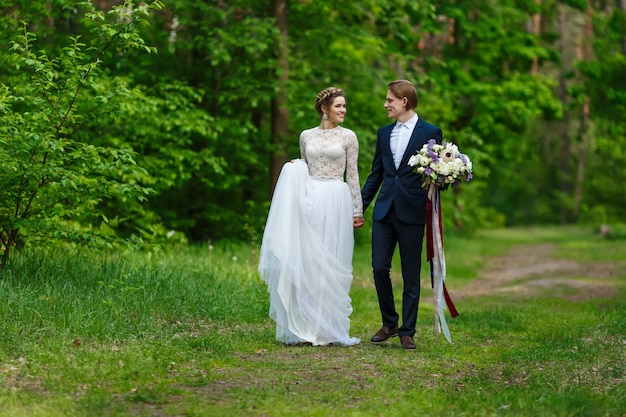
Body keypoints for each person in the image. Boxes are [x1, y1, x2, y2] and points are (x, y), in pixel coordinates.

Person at [258, 87, 364, 346]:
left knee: (332, 259)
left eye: (344, 106)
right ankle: (306, 326)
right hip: (311, 198)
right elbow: (305, 167)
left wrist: (357, 209)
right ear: (324, 108)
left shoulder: (349, 137)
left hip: (337, 199)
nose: (343, 111)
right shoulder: (306, 136)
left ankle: (329, 328)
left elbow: (352, 174)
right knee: (309, 261)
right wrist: (294, 168)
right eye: (338, 106)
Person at [361, 80, 443, 350]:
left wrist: (443, 179)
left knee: (410, 273)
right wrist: (358, 206)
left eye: (389, 100)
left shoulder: (431, 132)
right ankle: (390, 323)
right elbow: (377, 174)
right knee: (379, 268)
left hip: (413, 211)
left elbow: (435, 173)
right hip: (384, 210)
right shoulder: (384, 134)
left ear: (404, 101)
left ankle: (408, 330)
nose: (386, 105)